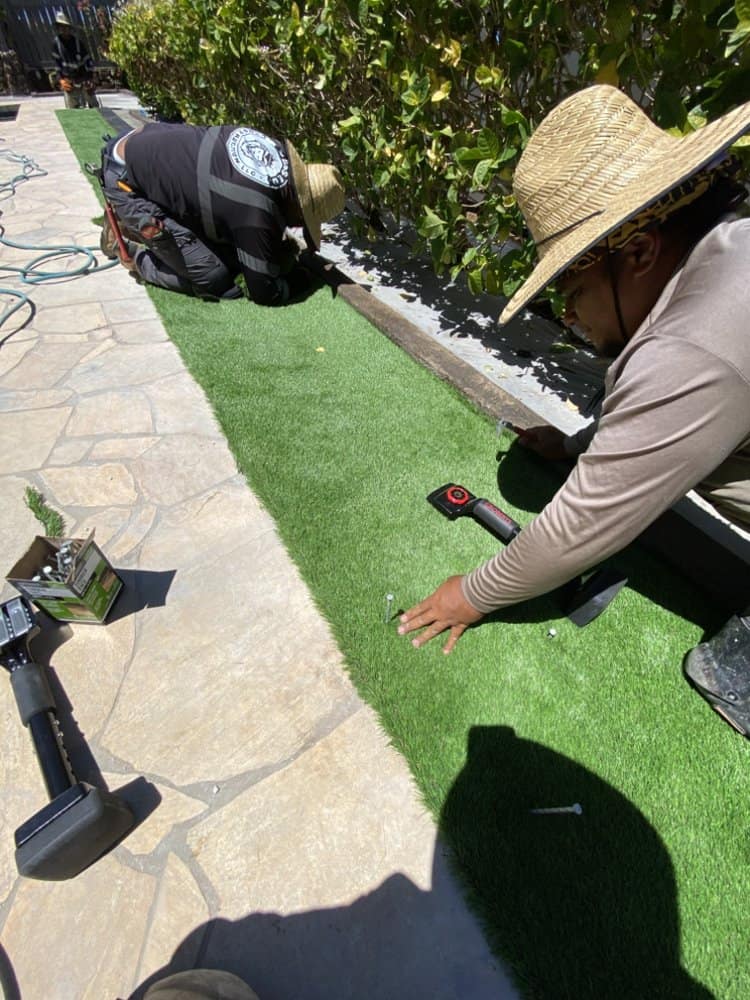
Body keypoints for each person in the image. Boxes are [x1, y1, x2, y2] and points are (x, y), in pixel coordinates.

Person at [398, 84, 750, 736]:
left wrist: (468, 595)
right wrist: (571, 445)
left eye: (572, 288)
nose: (567, 316)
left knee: (724, 666)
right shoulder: (731, 257)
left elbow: (578, 530)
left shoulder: (692, 345)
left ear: (639, 252)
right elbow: (655, 417)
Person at [98, 123, 345, 303]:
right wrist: (302, 279)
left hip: (139, 138)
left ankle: (143, 222)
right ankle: (131, 245)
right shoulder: (257, 209)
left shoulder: (273, 150)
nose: (296, 228)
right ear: (299, 209)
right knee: (215, 278)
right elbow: (263, 292)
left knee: (223, 243)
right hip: (126, 180)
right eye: (303, 222)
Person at [51, 11, 97, 109]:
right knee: (72, 110)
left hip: (83, 77)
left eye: (65, 27)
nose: (63, 29)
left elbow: (88, 61)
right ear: (58, 28)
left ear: (69, 28)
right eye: (61, 27)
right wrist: (61, 80)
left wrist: (90, 79)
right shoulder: (56, 45)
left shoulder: (77, 43)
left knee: (94, 105)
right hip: (69, 81)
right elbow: (57, 65)